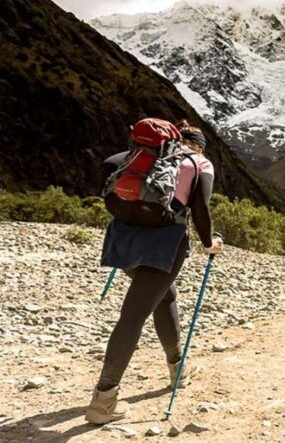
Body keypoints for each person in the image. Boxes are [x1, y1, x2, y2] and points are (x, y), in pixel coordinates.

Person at [85, 119, 223, 425]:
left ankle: (178, 367)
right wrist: (209, 241)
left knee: (163, 294)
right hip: (164, 246)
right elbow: (200, 208)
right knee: (134, 314)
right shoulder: (199, 163)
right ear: (198, 145)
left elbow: (106, 178)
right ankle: (103, 400)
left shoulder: (132, 159)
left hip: (123, 244)